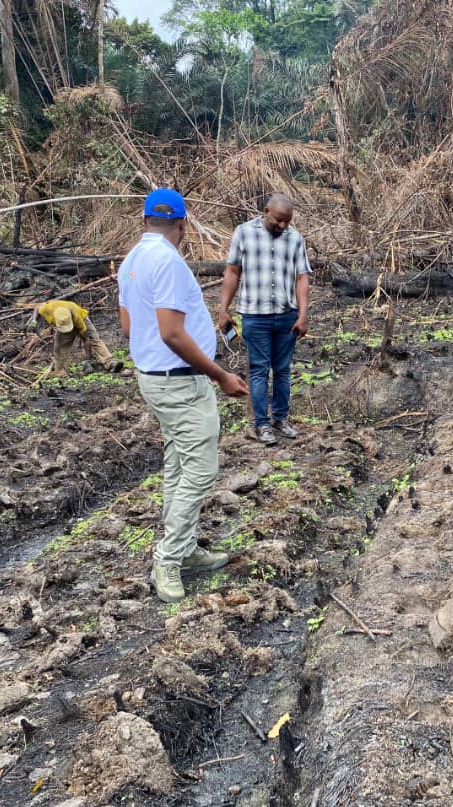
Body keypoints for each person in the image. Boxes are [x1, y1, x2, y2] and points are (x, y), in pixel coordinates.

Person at [117, 188, 249, 604]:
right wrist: (220, 375)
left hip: (154, 379)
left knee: (178, 464)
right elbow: (172, 333)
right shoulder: (169, 262)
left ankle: (186, 549)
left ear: (144, 220)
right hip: (181, 382)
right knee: (200, 471)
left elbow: (129, 327)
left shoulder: (131, 261)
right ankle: (169, 558)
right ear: (182, 224)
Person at [219, 193, 311, 446]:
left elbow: (302, 278)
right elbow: (232, 271)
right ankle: (261, 424)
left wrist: (303, 315)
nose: (282, 225)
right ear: (266, 211)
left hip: (286, 315)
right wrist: (223, 309)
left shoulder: (295, 238)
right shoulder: (244, 233)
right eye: (278, 220)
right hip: (254, 316)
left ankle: (281, 419)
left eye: (287, 221)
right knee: (259, 369)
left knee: (282, 370)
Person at [31, 298, 119, 377]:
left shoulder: (77, 317)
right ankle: (61, 372)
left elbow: (86, 339)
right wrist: (33, 320)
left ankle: (109, 362)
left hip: (81, 318)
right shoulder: (47, 309)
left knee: (94, 338)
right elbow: (37, 307)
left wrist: (88, 360)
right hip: (62, 323)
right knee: (59, 348)